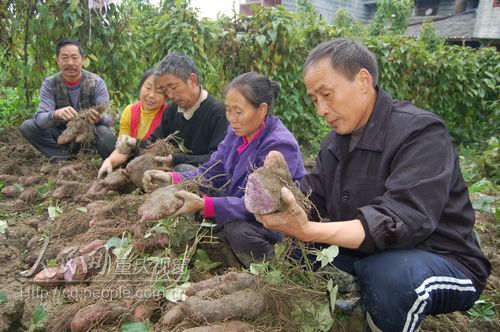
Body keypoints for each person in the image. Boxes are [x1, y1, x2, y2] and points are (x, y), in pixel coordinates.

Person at [256, 39, 491, 331]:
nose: (321, 109)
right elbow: (314, 199)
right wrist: (281, 190)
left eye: (326, 94)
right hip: (373, 253)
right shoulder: (334, 143)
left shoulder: (421, 133)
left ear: (363, 80)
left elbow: (401, 219)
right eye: (314, 100)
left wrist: (309, 230)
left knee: (390, 276)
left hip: (444, 259)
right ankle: (348, 306)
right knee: (296, 249)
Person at [142, 72, 306, 267]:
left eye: (238, 111)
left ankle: (272, 264)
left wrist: (206, 205)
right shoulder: (236, 131)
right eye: (228, 110)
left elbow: (259, 206)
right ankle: (218, 239)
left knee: (237, 230)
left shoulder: (279, 145)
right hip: (238, 199)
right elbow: (213, 170)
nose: (231, 118)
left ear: (262, 110)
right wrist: (172, 178)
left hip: (271, 219)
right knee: (187, 175)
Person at [115, 53, 227, 172]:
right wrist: (133, 144)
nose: (170, 95)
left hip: (202, 179)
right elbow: (153, 144)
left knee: (183, 168)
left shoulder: (218, 113)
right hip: (170, 175)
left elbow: (218, 159)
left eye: (173, 88)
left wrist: (176, 160)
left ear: (192, 80)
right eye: (165, 91)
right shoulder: (171, 110)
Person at [19, 39, 116, 163]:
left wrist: (99, 118)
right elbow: (40, 119)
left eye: (75, 58)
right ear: (57, 60)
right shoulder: (50, 84)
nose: (70, 63)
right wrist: (55, 114)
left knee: (106, 134)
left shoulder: (96, 82)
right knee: (28, 127)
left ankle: (92, 156)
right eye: (64, 58)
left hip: (89, 132)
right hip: (62, 132)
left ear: (83, 59)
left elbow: (109, 117)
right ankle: (63, 158)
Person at [97, 69, 167, 178]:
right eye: (148, 88)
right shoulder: (129, 111)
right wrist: (109, 161)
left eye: (159, 92)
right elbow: (123, 148)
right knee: (107, 141)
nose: (151, 95)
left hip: (152, 159)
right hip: (130, 154)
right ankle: (122, 167)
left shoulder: (168, 114)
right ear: (140, 87)